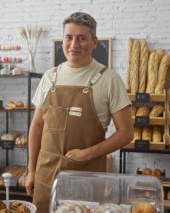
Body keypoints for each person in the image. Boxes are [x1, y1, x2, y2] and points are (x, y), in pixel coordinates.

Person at [25, 12, 134, 212]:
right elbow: (37, 125)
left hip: (86, 178)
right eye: (69, 37)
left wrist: (86, 154)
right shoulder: (50, 77)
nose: (74, 44)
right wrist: (31, 170)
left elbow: (126, 133)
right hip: (46, 175)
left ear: (94, 42)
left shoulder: (108, 79)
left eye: (81, 38)